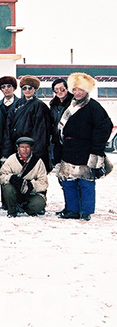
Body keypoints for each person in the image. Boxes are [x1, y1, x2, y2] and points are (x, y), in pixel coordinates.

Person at [56, 72, 112, 221]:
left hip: (86, 148)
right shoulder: (70, 105)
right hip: (69, 147)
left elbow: (104, 127)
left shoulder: (94, 107)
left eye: (80, 89)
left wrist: (96, 149)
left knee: (86, 181)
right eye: (74, 89)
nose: (77, 92)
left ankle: (86, 211)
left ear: (86, 90)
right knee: (68, 180)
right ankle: (72, 209)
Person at [4, 75, 53, 171]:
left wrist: (36, 151)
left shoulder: (40, 105)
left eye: (30, 88)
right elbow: (8, 126)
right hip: (16, 145)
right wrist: (7, 148)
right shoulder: (16, 104)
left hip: (31, 146)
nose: (27, 90)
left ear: (35, 90)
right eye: (24, 88)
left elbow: (41, 130)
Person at [0, 137, 47, 217]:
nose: (25, 150)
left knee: (39, 203)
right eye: (22, 147)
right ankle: (12, 211)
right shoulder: (12, 159)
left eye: (27, 147)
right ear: (18, 148)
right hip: (15, 192)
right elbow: (1, 175)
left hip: (31, 193)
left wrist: (30, 185)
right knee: (7, 188)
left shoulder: (38, 162)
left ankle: (27, 209)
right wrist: (12, 178)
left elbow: (43, 182)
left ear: (31, 148)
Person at [49, 77, 73, 165]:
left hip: (70, 142)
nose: (59, 92)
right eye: (56, 90)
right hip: (57, 141)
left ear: (67, 89)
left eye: (62, 89)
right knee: (58, 166)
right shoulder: (53, 105)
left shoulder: (73, 103)